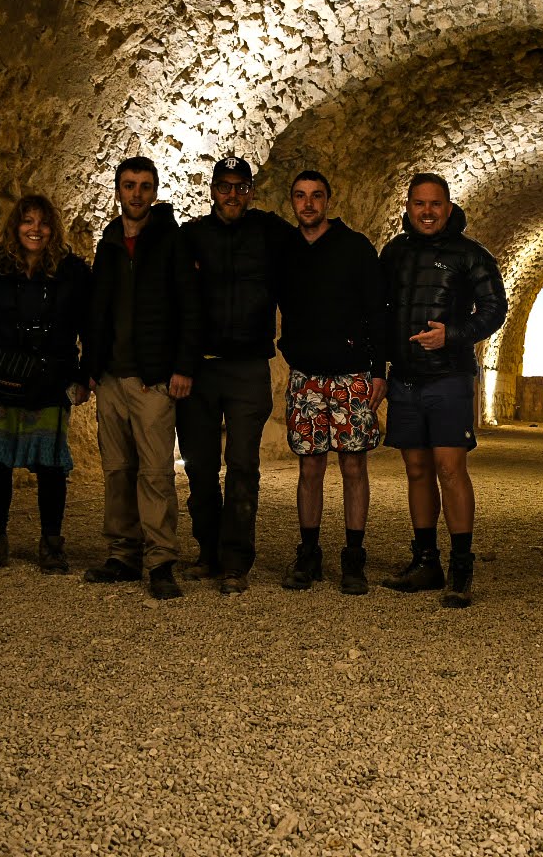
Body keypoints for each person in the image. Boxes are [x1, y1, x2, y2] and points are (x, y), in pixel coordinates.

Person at [379, 173, 507, 607]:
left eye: (435, 204)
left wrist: (451, 334)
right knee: (416, 469)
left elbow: (494, 309)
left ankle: (461, 567)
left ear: (448, 208)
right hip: (404, 377)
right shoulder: (394, 253)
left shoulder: (471, 255)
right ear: (408, 207)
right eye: (419, 203)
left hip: (449, 377)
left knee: (450, 469)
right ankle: (425, 561)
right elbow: (380, 310)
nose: (428, 211)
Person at [81, 156, 201, 600]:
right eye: (129, 185)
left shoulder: (170, 241)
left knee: (154, 473)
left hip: (153, 379)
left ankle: (161, 560)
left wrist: (183, 367)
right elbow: (97, 308)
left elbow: (190, 307)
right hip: (111, 377)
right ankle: (123, 555)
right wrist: (91, 367)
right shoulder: (109, 242)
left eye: (144, 186)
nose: (136, 194)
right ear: (118, 190)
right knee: (117, 471)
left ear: (154, 192)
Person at [0, 194, 92, 574]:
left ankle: (52, 543)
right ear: (16, 226)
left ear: (53, 229)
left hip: (50, 377)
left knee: (50, 464)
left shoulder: (72, 272)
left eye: (43, 222)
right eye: (27, 221)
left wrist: (84, 375)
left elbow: (88, 325)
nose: (36, 229)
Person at [176, 156, 290, 595]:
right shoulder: (192, 237)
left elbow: (308, 251)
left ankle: (236, 562)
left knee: (243, 465)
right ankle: (209, 553)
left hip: (247, 368)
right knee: (201, 467)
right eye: (224, 186)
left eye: (241, 187)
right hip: (201, 369)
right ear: (212, 191)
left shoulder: (267, 233)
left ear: (251, 193)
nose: (232, 195)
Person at [277, 170, 387, 595]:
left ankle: (354, 557)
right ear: (292, 201)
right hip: (306, 375)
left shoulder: (355, 247)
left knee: (354, 465)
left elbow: (377, 310)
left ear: (328, 200)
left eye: (316, 196)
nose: (308, 204)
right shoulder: (285, 249)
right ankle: (309, 553)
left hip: (351, 374)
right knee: (310, 465)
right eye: (300, 196)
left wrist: (380, 370)